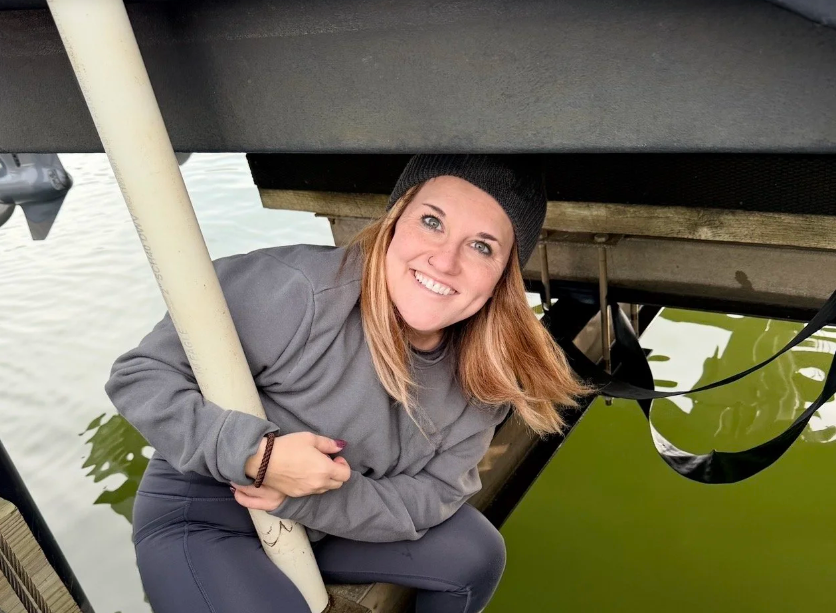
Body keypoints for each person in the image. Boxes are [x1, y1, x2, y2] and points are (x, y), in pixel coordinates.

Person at [106, 154, 588, 613]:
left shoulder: (486, 379)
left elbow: (436, 493)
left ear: (503, 277)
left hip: (328, 521)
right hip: (211, 510)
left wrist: (311, 498)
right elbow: (141, 376)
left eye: (482, 246)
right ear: (393, 221)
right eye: (432, 221)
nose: (445, 262)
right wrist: (257, 456)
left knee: (477, 555)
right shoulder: (299, 289)